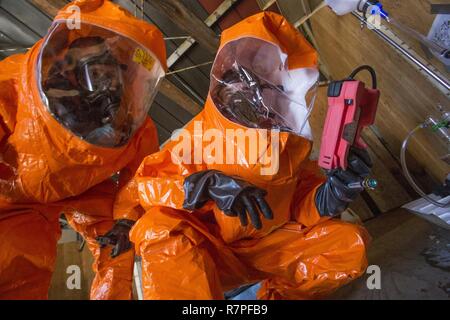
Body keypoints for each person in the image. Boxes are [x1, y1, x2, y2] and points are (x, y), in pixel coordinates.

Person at [112, 11, 372, 300]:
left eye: (266, 85)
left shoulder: (290, 144)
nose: (253, 94)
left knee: (348, 245)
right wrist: (205, 185)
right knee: (156, 229)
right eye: (243, 80)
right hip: (214, 253)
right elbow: (147, 187)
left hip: (270, 248)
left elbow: (300, 206)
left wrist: (330, 196)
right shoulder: (198, 135)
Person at [0, 0, 166, 299]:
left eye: (114, 75)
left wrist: (128, 217)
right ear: (69, 70)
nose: (109, 86)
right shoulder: (12, 85)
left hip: (58, 200)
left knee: (119, 240)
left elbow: (141, 176)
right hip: (7, 198)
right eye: (98, 73)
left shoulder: (133, 127)